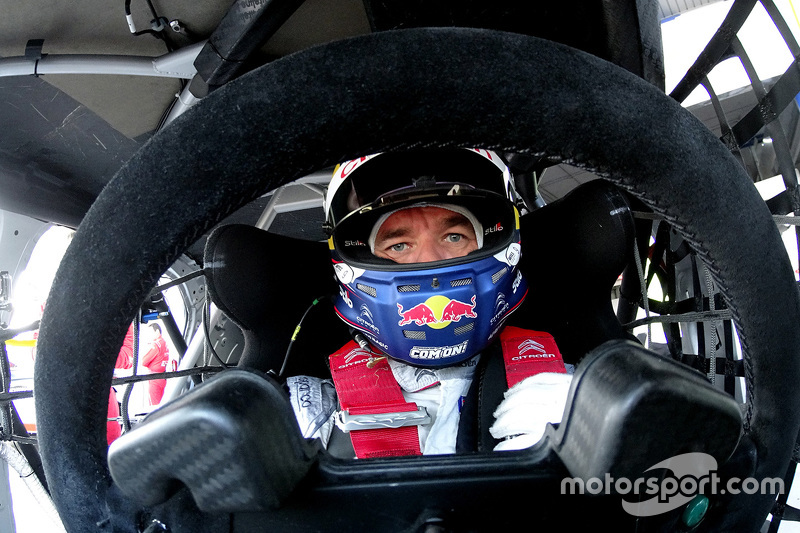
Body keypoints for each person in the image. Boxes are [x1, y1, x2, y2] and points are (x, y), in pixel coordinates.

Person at [286, 148, 573, 458]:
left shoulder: (570, 394)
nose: (431, 263)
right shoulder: (310, 413)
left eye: (453, 237)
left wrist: (577, 435)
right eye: (399, 245)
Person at [140, 322, 169, 406]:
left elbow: (144, 361)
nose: (149, 336)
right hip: (163, 377)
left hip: (154, 379)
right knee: (162, 404)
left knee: (154, 406)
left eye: (150, 332)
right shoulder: (164, 343)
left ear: (156, 331)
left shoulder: (156, 344)